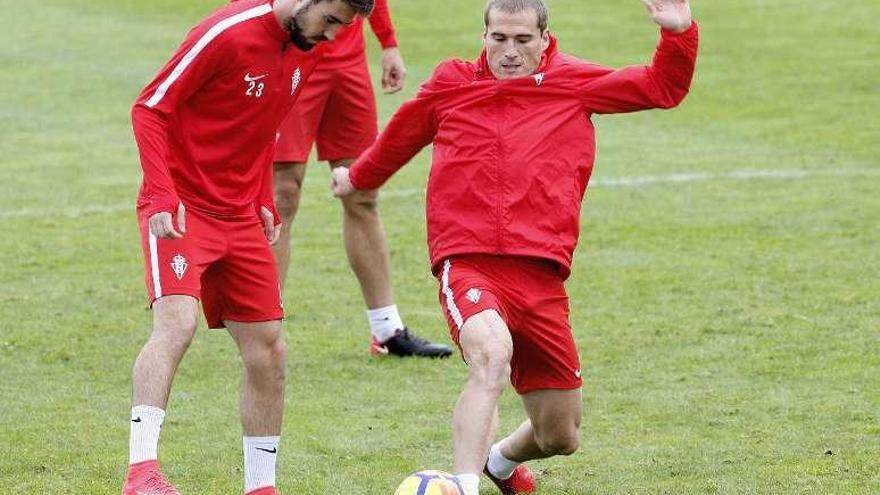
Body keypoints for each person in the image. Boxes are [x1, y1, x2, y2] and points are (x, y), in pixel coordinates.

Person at [331, 0, 699, 493]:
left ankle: (498, 461)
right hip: (468, 261)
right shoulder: (451, 83)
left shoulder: (573, 82)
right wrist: (356, 177)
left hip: (542, 275)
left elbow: (661, 87)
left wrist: (678, 34)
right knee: (491, 354)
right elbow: (401, 137)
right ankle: (462, 483)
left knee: (560, 433)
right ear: (484, 36)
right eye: (498, 38)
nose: (509, 51)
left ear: (545, 39)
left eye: (522, 40)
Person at [125, 0, 373, 494]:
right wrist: (159, 192)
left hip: (240, 216)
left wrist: (261, 195)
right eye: (330, 21)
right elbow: (149, 108)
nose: (331, 37)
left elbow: (264, 125)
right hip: (183, 209)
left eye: (342, 29)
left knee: (270, 350)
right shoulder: (226, 32)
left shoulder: (308, 48)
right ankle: (142, 474)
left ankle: (261, 487)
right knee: (177, 325)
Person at [271, 0, 452, 358]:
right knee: (282, 195)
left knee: (361, 188)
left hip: (347, 65)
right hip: (292, 53)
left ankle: (387, 331)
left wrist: (388, 43)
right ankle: (264, 326)